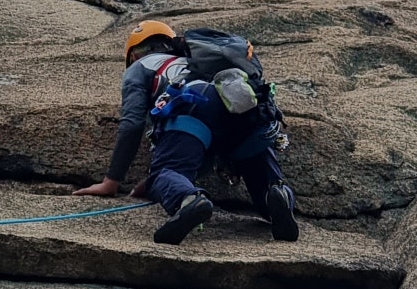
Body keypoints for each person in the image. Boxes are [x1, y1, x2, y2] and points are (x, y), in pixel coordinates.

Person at [74, 19, 299, 245]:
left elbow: (132, 123)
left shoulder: (140, 67)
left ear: (134, 54)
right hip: (242, 105)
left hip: (193, 104)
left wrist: (112, 181)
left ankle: (190, 200)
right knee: (262, 176)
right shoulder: (201, 61)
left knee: (167, 171)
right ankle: (278, 195)